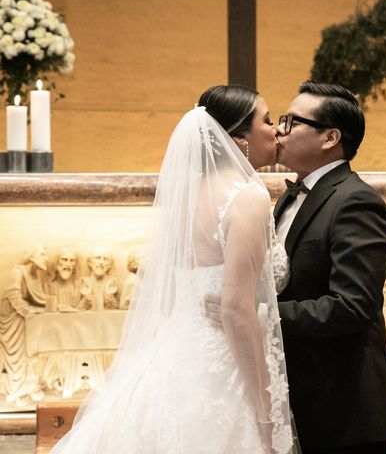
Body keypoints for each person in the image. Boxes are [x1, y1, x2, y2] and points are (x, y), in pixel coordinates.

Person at [51, 86, 296, 453]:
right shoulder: (247, 197)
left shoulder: (189, 195)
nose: (276, 129)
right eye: (267, 119)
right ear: (238, 139)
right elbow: (235, 309)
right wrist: (266, 411)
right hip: (222, 367)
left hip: (174, 356)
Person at [274, 81, 386, 453]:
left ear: (330, 137)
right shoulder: (288, 197)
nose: (278, 130)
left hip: (344, 409)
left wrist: (262, 315)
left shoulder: (356, 201)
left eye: (291, 121)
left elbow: (352, 308)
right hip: (301, 398)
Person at [0, 245, 48, 405]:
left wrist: (51, 307)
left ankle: (30, 387)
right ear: (32, 256)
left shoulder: (34, 275)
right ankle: (16, 391)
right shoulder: (17, 272)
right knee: (17, 355)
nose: (46, 258)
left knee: (30, 352)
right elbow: (14, 295)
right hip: (12, 320)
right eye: (43, 254)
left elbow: (39, 298)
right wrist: (29, 311)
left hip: (26, 319)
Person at [47, 247, 88, 311]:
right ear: (56, 262)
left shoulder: (80, 287)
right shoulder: (48, 287)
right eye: (64, 259)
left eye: (72, 260)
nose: (68, 264)